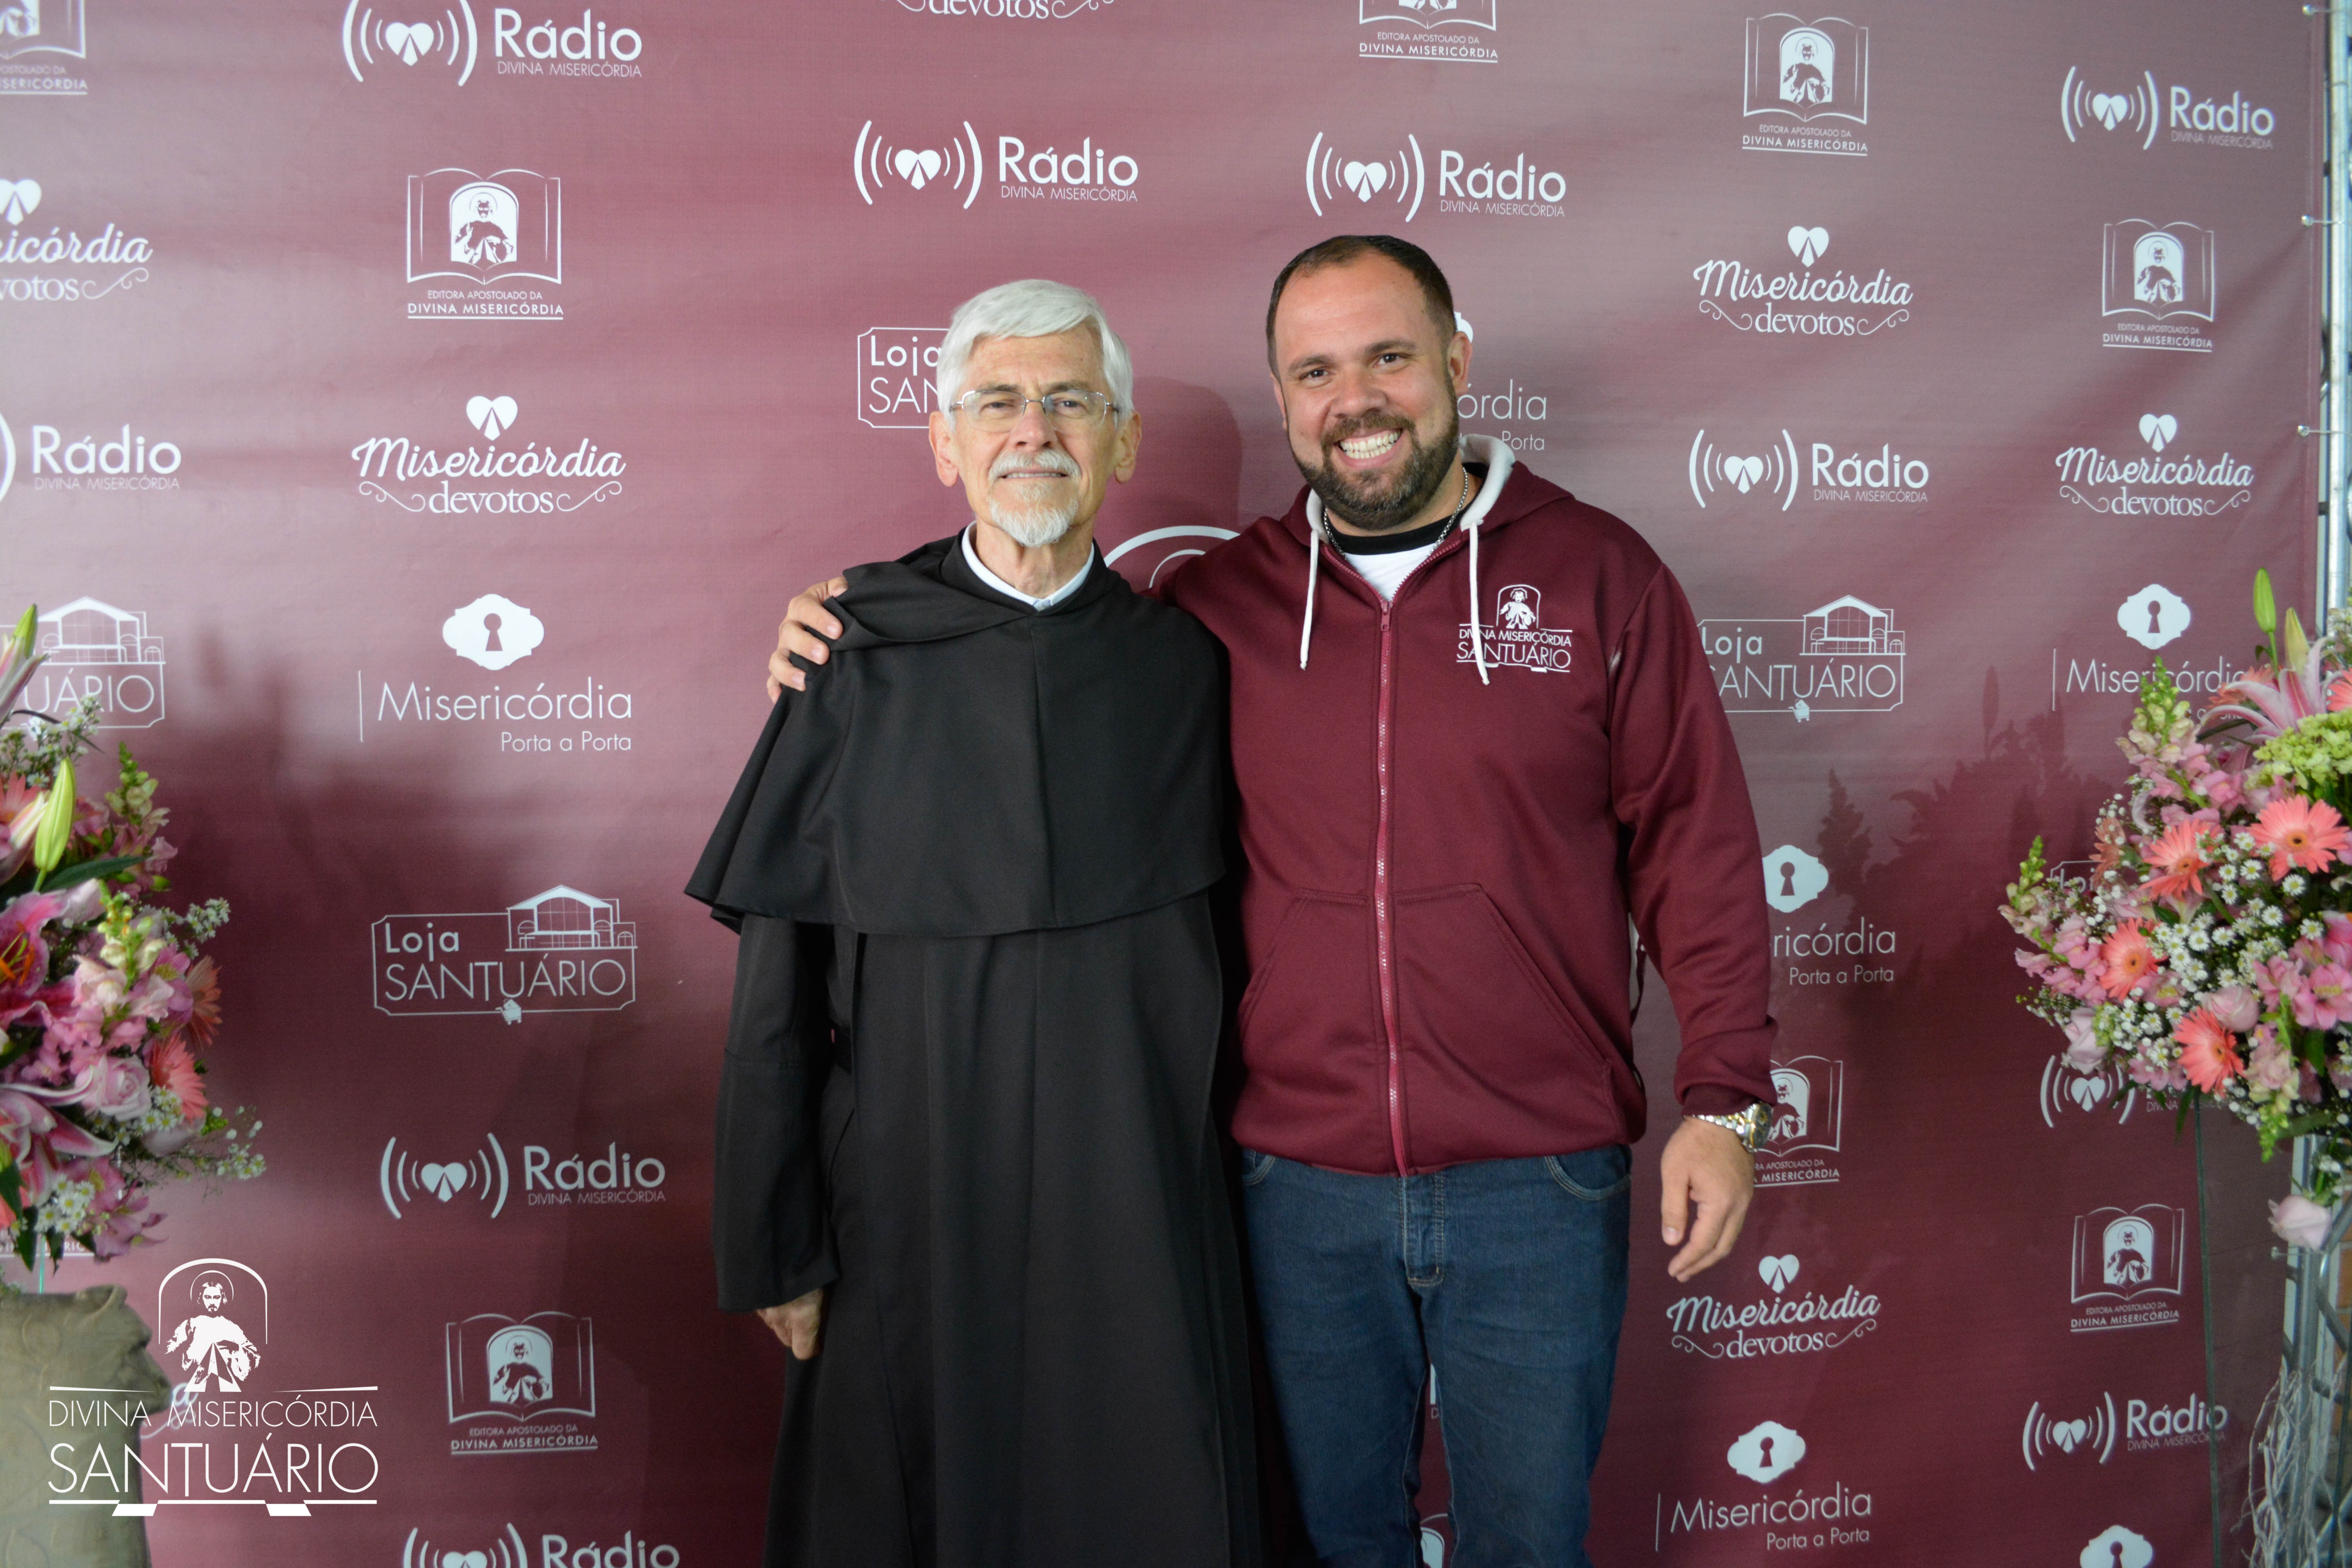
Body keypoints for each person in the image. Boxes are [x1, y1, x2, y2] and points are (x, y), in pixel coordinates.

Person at [769, 238, 1775, 1568]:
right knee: (1328, 1547)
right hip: (1294, 1191)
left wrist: (1726, 1101)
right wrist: (860, 631)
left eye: (1389, 358)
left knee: (1531, 1546)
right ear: (1285, 397)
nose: (1356, 400)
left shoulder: (1603, 577)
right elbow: (1030, 664)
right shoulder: (1211, 607)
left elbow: (1698, 847)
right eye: (1315, 372)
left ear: (1456, 363)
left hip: (1537, 1179)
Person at [690, 278, 1259, 1568]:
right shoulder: (848, 655)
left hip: (1141, 1198)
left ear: (1121, 440)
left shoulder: (1190, 669)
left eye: (1071, 402)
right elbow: (776, 989)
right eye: (997, 402)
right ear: (946, 443)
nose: (1033, 431)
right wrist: (776, 1241)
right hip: (910, 1204)